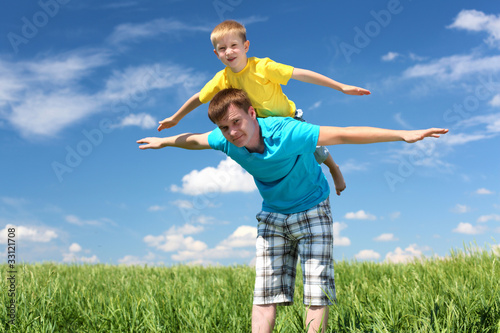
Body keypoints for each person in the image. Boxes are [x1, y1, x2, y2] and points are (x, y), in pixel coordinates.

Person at [138, 88, 448, 333]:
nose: (232, 132)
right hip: (273, 213)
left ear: (252, 113)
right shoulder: (225, 139)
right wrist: (163, 142)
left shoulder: (286, 132)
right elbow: (193, 140)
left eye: (237, 122)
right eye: (224, 127)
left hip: (312, 206)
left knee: (316, 288)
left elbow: (344, 133)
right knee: (264, 293)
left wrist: (402, 134)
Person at [157, 20, 371, 196]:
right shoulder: (221, 79)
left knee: (315, 146)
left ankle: (334, 169)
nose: (229, 52)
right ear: (216, 54)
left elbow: (301, 74)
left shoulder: (263, 67)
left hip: (288, 119)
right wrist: (176, 118)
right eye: (222, 49)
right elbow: (199, 97)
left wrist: (340, 86)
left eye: (234, 45)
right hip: (261, 127)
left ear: (246, 47)